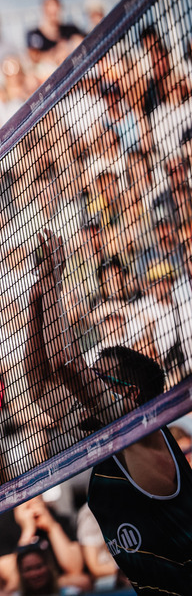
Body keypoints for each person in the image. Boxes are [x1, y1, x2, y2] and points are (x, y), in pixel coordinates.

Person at [27, 229, 192, 592]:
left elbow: (64, 361)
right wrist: (37, 297)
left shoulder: (140, 433)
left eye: (99, 375)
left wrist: (55, 275)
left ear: (130, 394)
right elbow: (39, 383)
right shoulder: (106, 436)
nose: (89, 379)